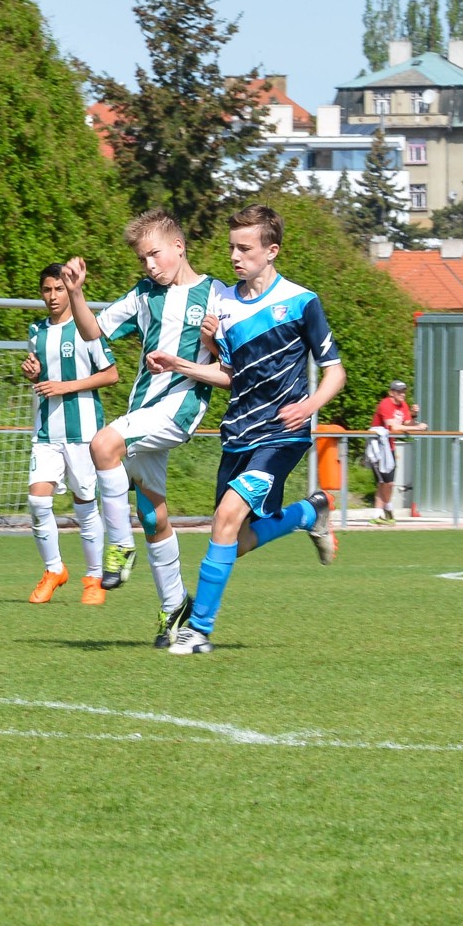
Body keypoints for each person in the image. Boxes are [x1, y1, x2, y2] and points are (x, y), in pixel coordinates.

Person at [141, 205, 341, 655]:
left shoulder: (301, 301)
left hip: (282, 435)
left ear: (272, 251)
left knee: (226, 518)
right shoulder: (223, 304)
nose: (234, 256)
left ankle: (198, 630)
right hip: (238, 434)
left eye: (245, 248)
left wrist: (309, 405)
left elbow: (335, 372)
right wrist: (183, 361)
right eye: (232, 247)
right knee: (235, 538)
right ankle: (308, 514)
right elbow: (230, 375)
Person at [61, 210, 218, 649]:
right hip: (144, 409)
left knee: (103, 444)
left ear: (179, 247)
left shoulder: (216, 295)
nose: (149, 265)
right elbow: (94, 332)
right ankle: (175, 606)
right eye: (142, 259)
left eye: (155, 254)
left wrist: (212, 344)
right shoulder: (145, 294)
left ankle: (118, 545)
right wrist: (76, 293)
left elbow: (231, 361)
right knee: (153, 515)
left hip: (180, 408)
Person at [21, 263, 119, 605]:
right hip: (47, 431)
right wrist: (33, 374)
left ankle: (94, 579)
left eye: (59, 289)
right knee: (37, 501)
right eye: (47, 290)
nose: (52, 296)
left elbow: (111, 374)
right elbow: (42, 378)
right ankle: (54, 570)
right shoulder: (36, 331)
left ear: (69, 290)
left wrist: (66, 386)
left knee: (85, 507)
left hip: (84, 432)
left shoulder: (86, 328)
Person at [366, 381, 426, 522]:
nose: (402, 394)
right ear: (391, 392)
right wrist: (417, 428)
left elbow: (407, 424)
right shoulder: (385, 404)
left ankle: (382, 513)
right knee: (384, 481)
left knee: (388, 482)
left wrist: (414, 416)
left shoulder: (403, 405)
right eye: (399, 391)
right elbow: (394, 427)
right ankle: (383, 511)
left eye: (404, 391)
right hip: (378, 448)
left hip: (390, 447)